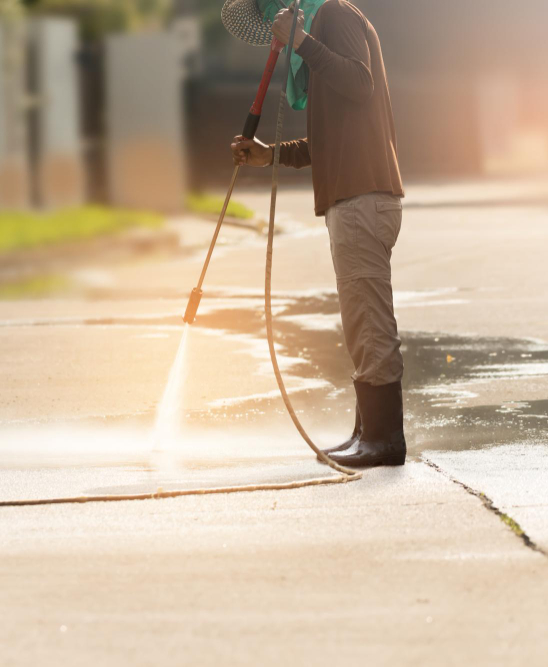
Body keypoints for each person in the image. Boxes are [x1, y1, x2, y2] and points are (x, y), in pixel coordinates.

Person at [229, 0, 407, 467]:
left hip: (361, 198)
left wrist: (303, 42)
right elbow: (324, 142)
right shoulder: (326, 34)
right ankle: (367, 430)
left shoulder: (335, 15)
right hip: (351, 198)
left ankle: (385, 439)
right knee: (359, 323)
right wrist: (269, 155)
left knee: (368, 323)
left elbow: (360, 83)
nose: (276, 26)